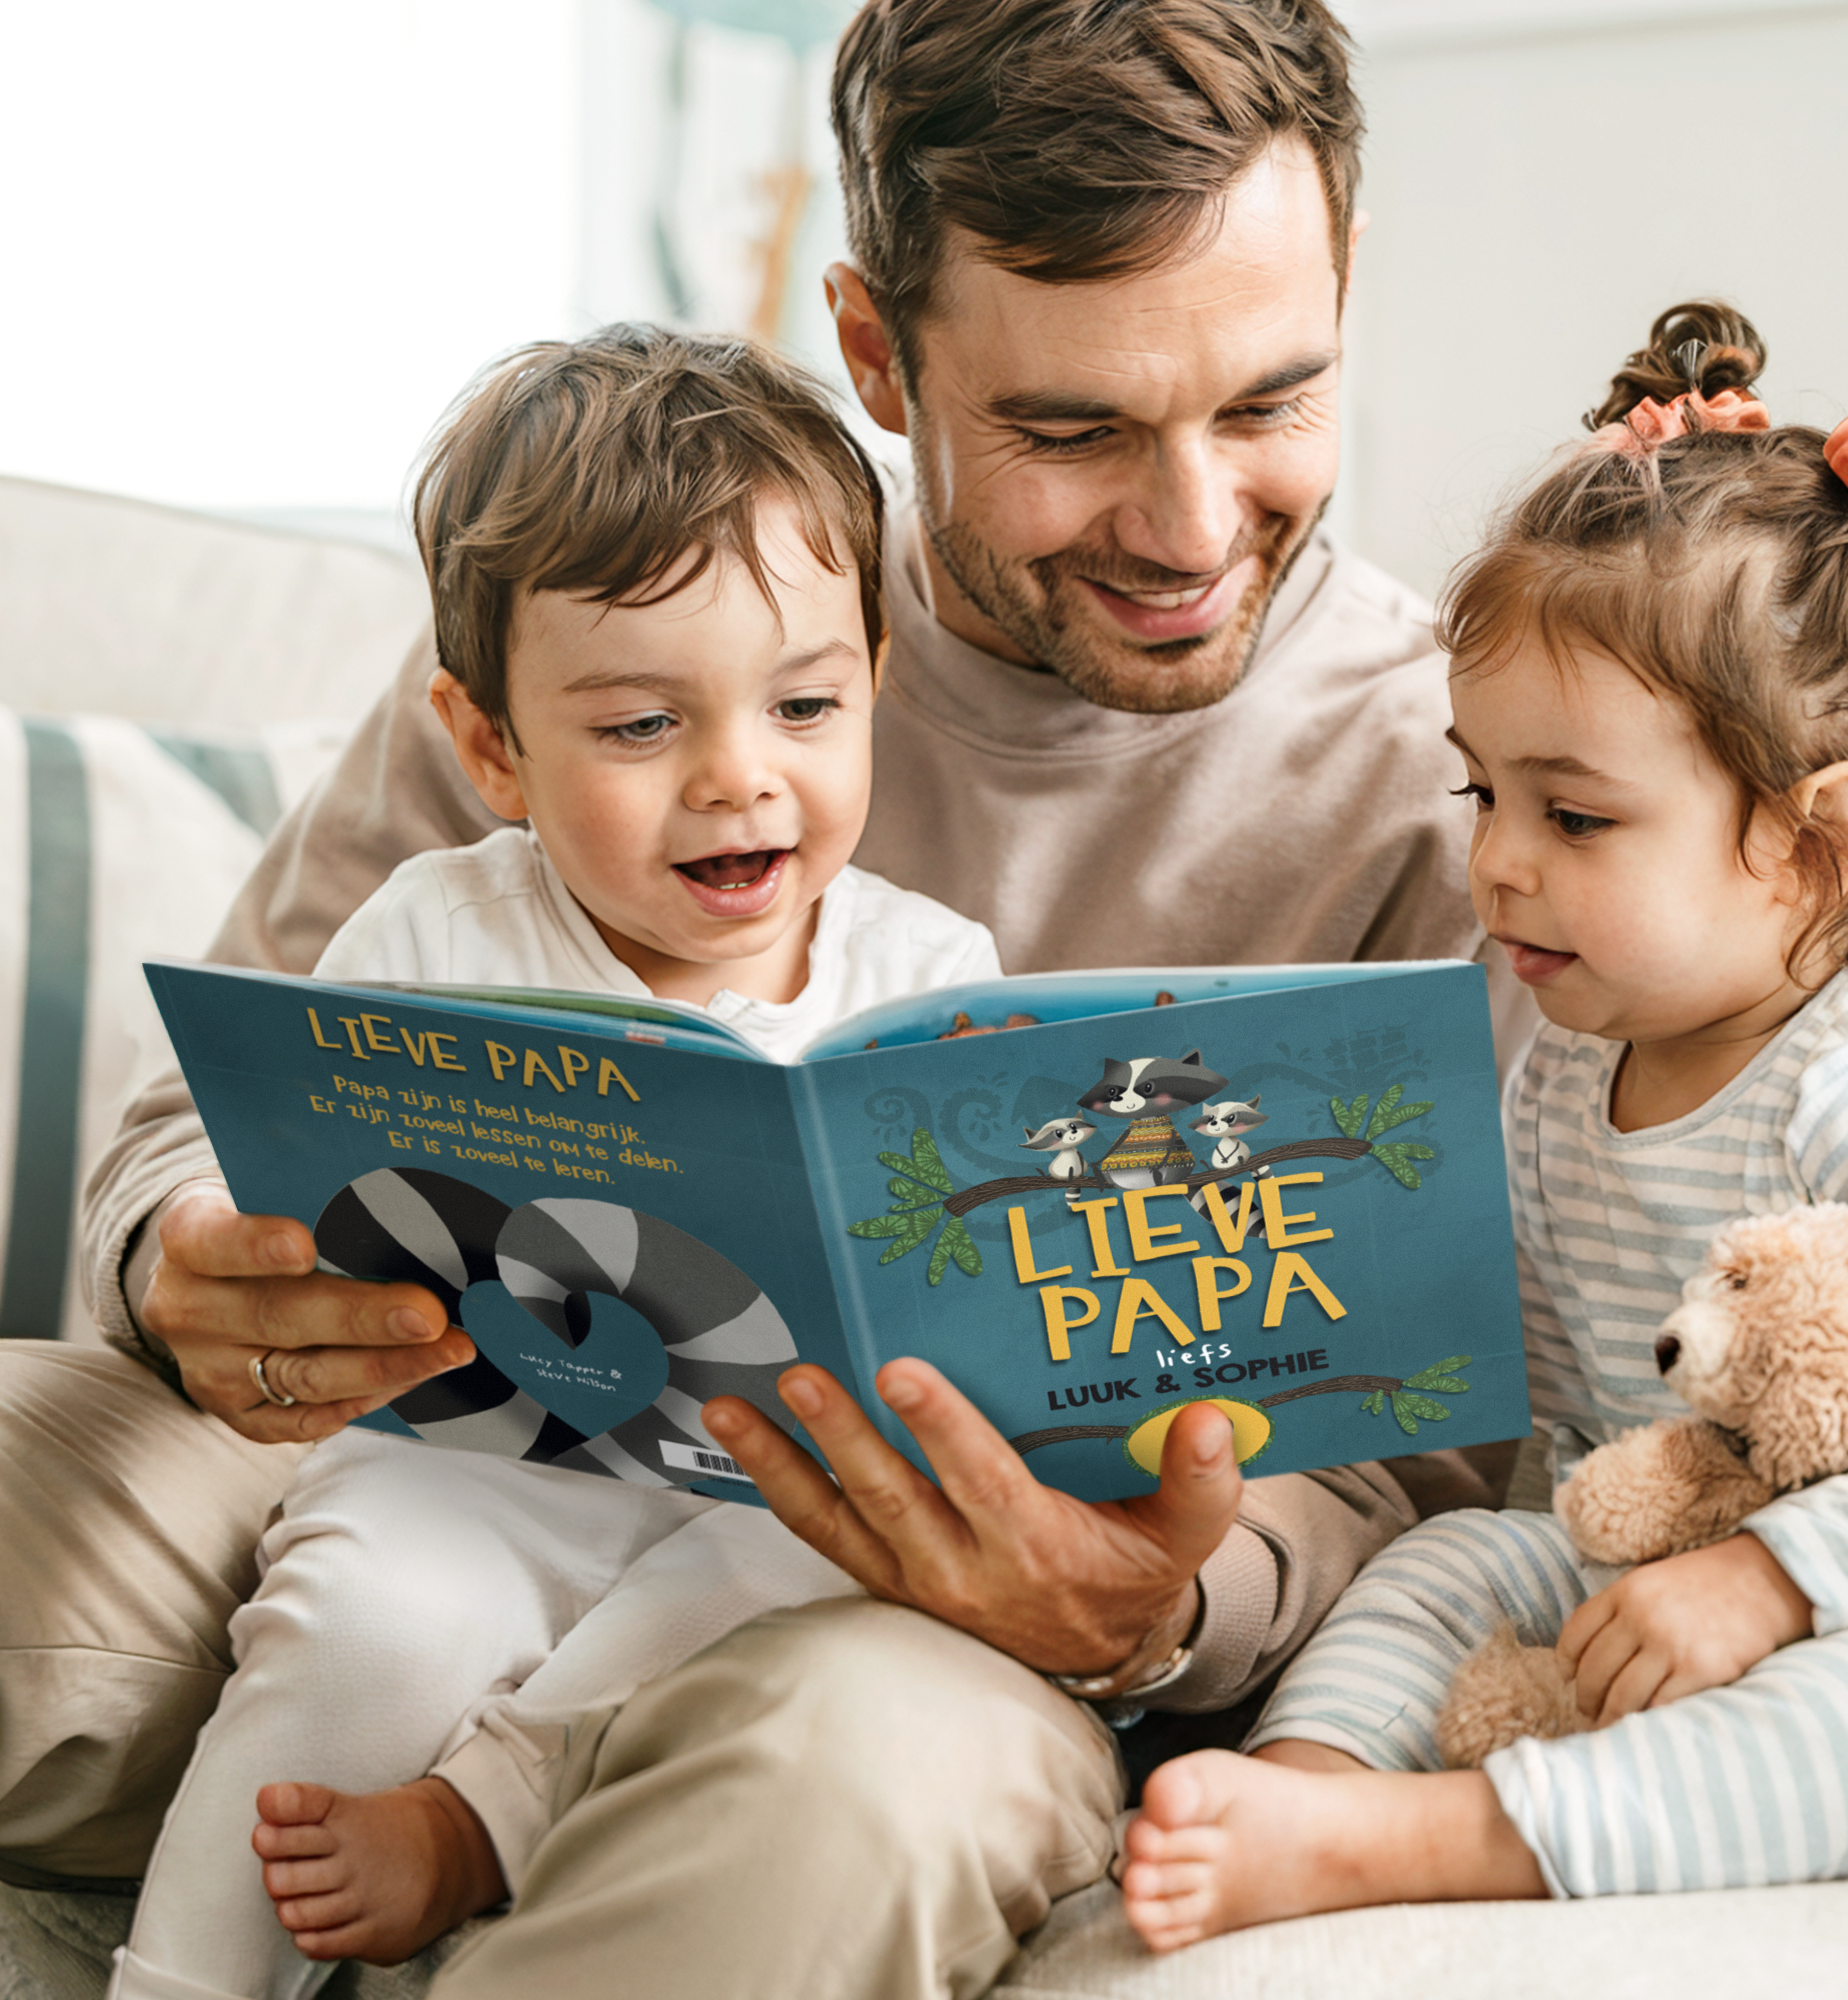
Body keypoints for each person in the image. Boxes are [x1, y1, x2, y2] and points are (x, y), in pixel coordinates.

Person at [5, 4, 1511, 1994]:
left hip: (917, 1612)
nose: (1186, 525)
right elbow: (202, 1119)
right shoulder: (613, 595)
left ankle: (480, 1835)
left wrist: (1159, 1601)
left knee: (846, 1780)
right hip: (420, 1458)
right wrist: (190, 1257)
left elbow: (1433, 1448)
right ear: (881, 351)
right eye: (1070, 431)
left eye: (1268, 403)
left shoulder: (1456, 776)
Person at [106, 327, 1011, 2000]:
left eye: (805, 703)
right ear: (494, 745)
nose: (742, 772)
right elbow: (293, 1179)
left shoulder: (937, 978)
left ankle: (483, 1814)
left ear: (875, 678)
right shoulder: (432, 929)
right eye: (644, 723)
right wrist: (252, 1246)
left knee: (808, 1576)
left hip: (772, 1497)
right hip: (480, 1456)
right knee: (366, 1622)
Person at [1120, 304, 1848, 1948]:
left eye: (1574, 814)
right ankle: (1306, 1777)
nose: (1500, 862)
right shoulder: (1558, 1074)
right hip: (1653, 1563)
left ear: (1816, 847)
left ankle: (1428, 1839)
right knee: (1453, 1569)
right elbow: (1562, 1440)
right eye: (1484, 794)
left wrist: (1779, 1583)